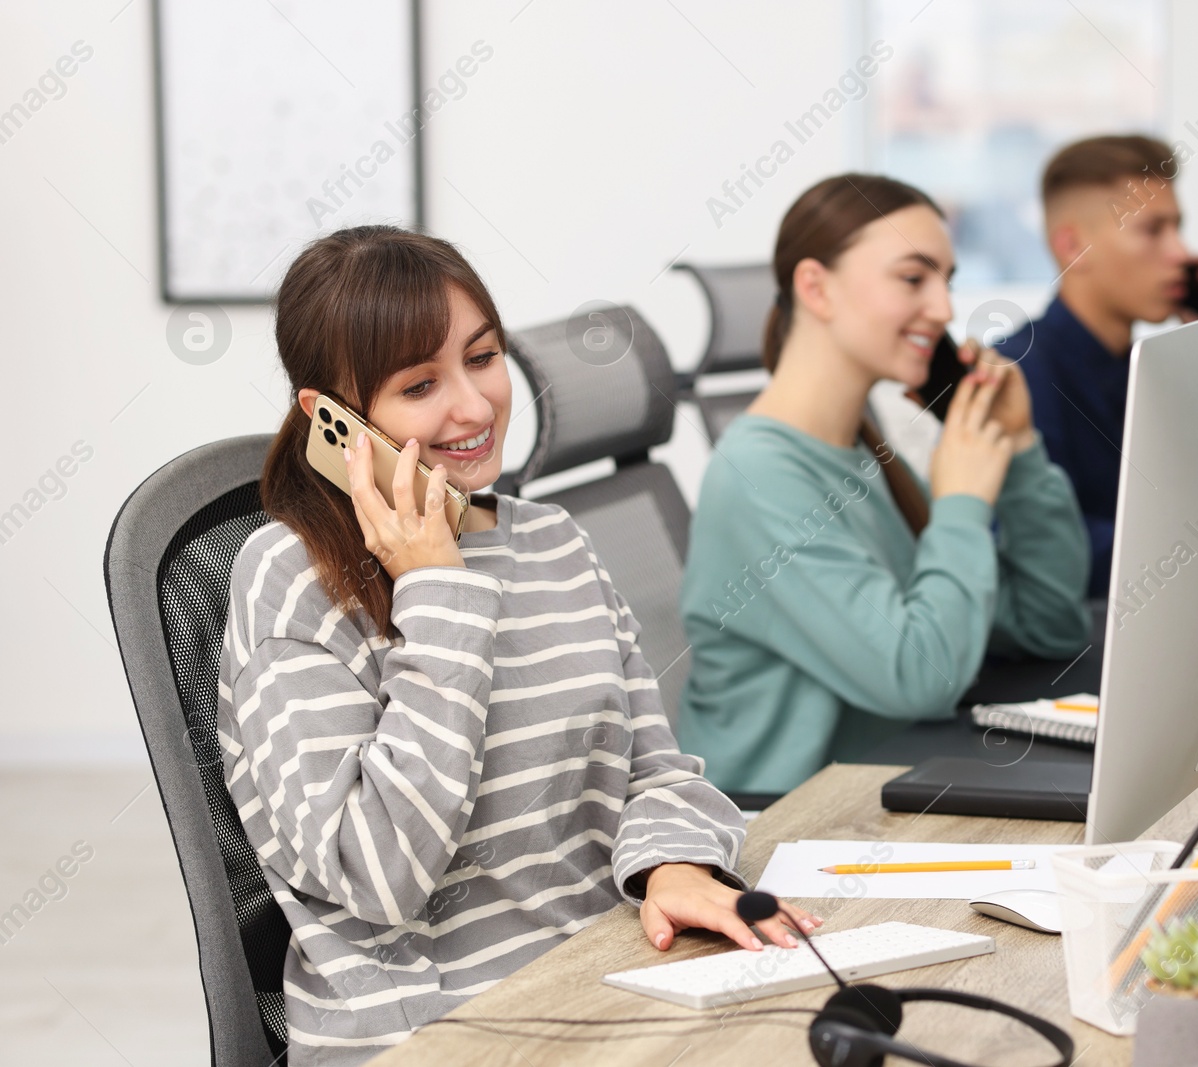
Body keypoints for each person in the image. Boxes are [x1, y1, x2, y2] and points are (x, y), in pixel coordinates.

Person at [218, 226, 816, 1065]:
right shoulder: (289, 578)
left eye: (484, 356)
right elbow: (383, 876)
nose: (473, 405)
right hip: (436, 1033)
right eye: (421, 383)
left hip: (606, 980)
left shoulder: (553, 540)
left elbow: (656, 767)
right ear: (333, 421)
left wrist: (671, 863)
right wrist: (435, 585)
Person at [676, 174, 1094, 795]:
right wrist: (960, 503)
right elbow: (921, 675)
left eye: (946, 282)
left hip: (887, 783)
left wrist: (1020, 450)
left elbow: (1049, 623)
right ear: (816, 287)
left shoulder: (863, 454)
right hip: (779, 826)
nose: (946, 311)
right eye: (912, 279)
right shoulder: (761, 478)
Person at [994, 134, 1198, 598]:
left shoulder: (1157, 369)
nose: (1181, 253)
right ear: (1072, 246)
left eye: (1178, 228)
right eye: (1152, 230)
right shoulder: (1017, 372)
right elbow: (1048, 554)